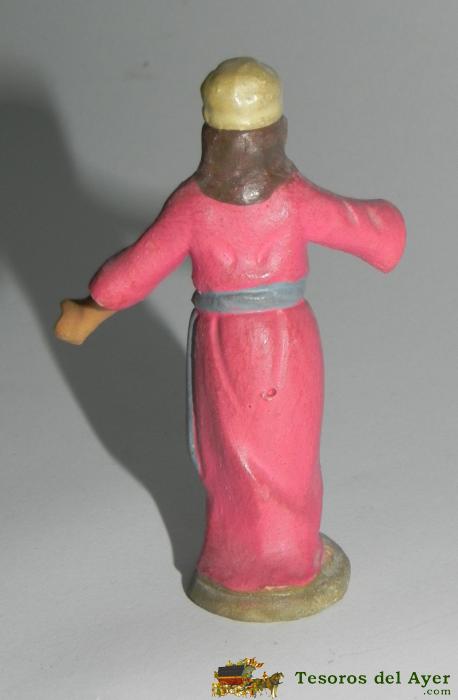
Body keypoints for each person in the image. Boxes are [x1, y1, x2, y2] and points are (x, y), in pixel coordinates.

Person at [55, 57, 406, 621]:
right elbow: (368, 232)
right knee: (281, 460)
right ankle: (280, 563)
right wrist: (390, 225)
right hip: (285, 341)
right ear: (276, 132)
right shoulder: (292, 197)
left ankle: (246, 565)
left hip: (225, 346)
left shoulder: (193, 205)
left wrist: (90, 308)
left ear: (210, 134)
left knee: (239, 460)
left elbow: (133, 271)